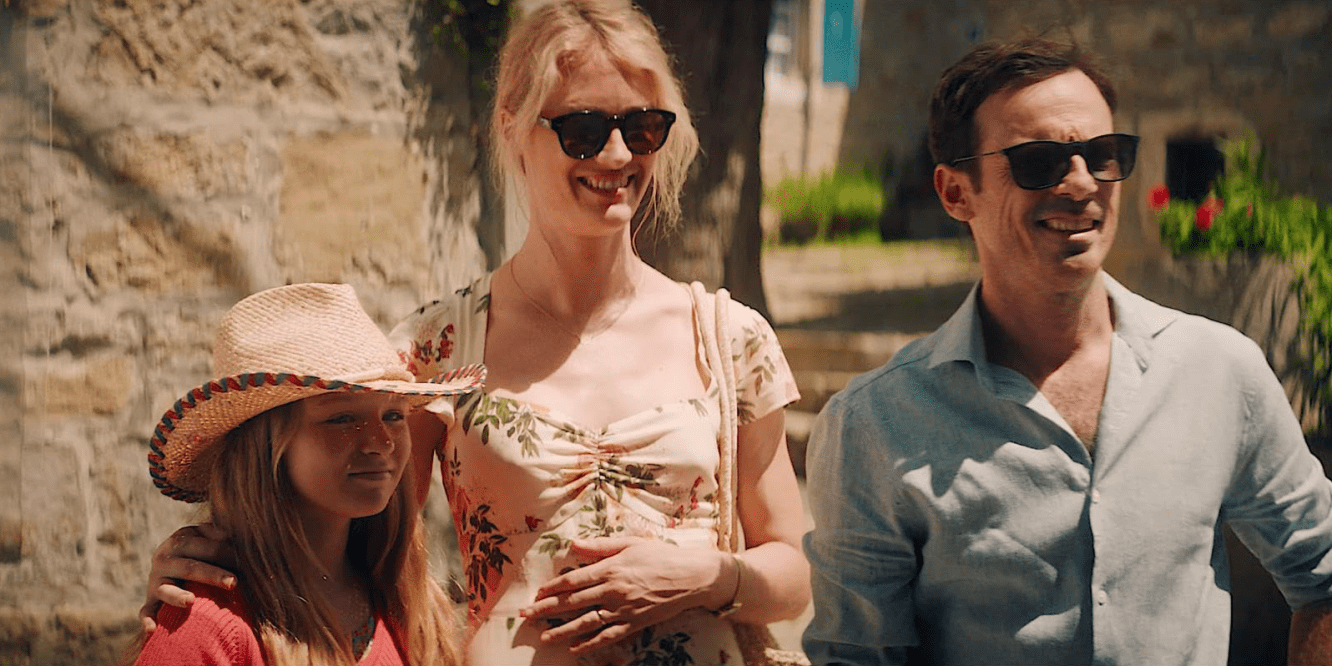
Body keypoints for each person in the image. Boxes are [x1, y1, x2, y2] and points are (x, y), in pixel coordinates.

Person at [138, 1, 812, 665]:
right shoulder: (435, 348)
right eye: (583, 129)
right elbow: (347, 544)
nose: (616, 153)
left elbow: (795, 573)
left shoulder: (729, 339)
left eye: (642, 127)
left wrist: (710, 576)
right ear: (513, 129)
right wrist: (211, 583)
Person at [801, 38, 1332, 665]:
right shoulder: (875, 425)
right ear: (955, 193)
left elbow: (1321, 571)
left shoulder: (1218, 371)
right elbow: (857, 655)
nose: (1082, 183)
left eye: (1103, 156)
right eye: (1039, 161)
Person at [130, 283, 483, 665]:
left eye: (394, 414)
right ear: (266, 446)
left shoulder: (413, 606)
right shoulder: (209, 625)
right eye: (342, 418)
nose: (381, 441)